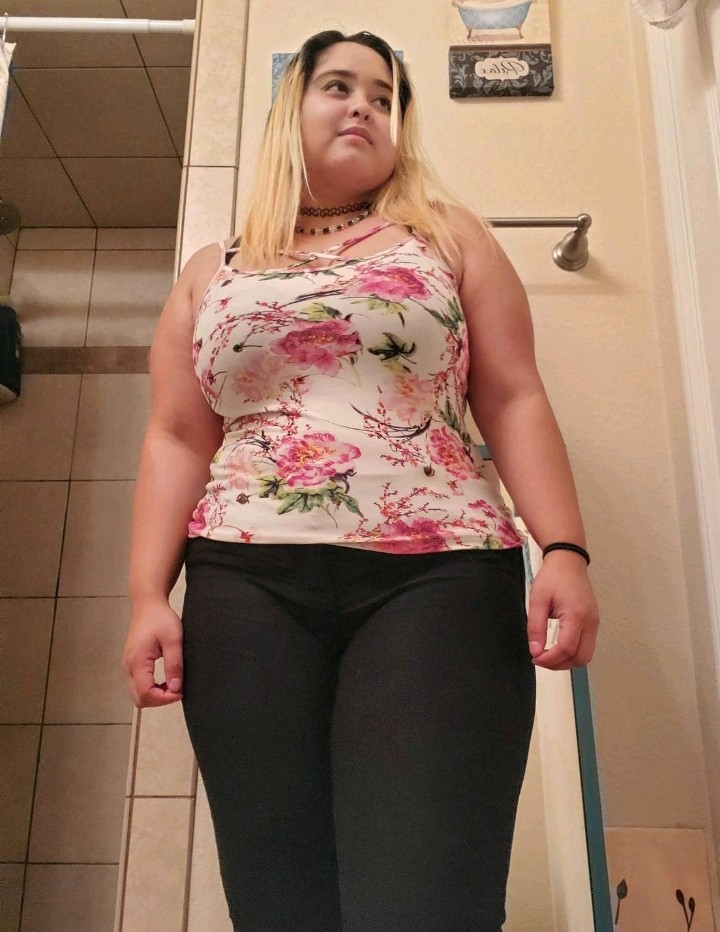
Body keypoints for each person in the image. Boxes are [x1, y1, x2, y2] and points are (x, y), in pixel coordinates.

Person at [122, 29, 600, 932]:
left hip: (440, 578)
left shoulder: (447, 236)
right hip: (243, 584)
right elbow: (177, 436)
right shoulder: (211, 271)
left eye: (384, 98)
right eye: (339, 86)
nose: (364, 108)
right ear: (290, 111)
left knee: (427, 899)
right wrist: (149, 595)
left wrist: (565, 550)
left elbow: (513, 396)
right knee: (278, 899)